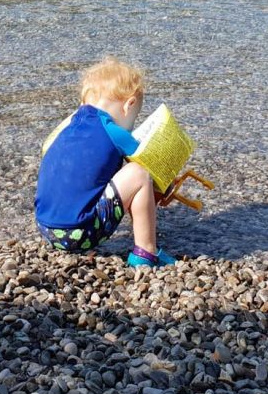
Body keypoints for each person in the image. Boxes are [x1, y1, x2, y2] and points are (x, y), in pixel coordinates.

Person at [34, 57, 176, 268]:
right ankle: (146, 252)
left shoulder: (67, 128)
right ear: (129, 105)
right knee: (139, 173)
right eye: (133, 118)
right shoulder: (114, 132)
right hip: (79, 234)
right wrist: (167, 184)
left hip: (47, 229)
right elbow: (152, 168)